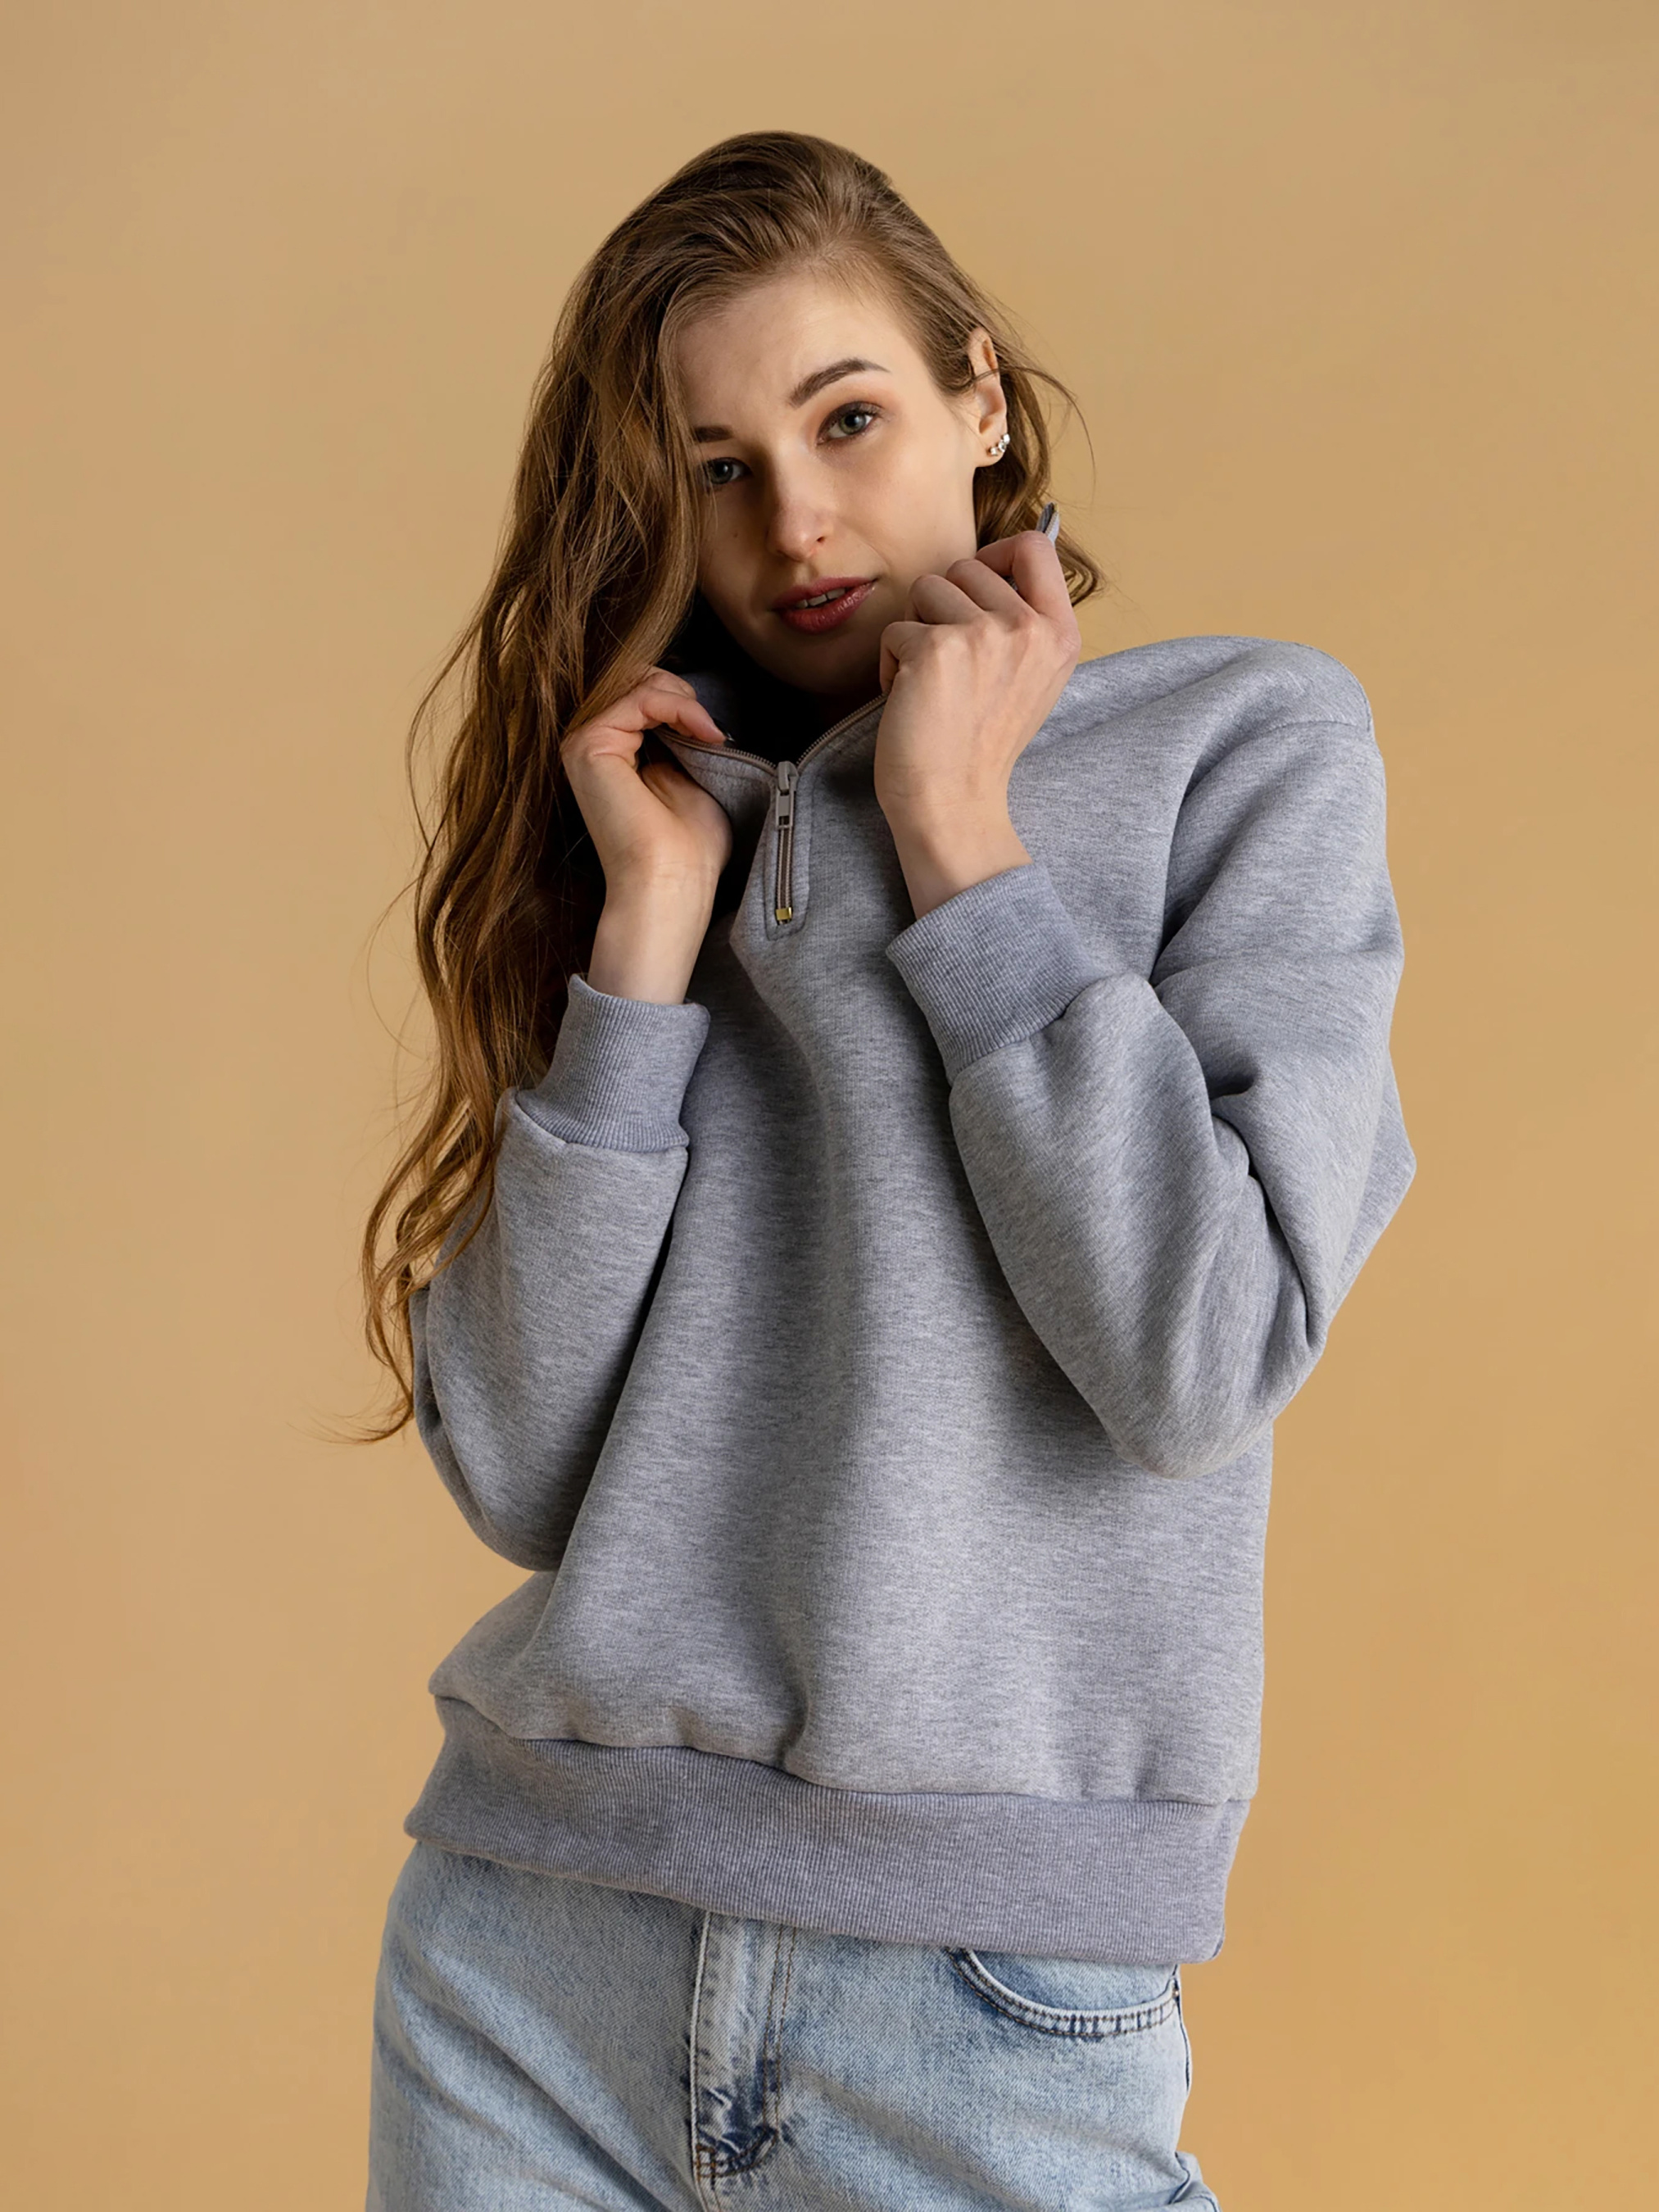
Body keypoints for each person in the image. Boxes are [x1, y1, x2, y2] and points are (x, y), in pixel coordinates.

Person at [356, 129, 1416, 2211]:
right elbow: (521, 1468)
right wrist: (642, 942)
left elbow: (1194, 1357)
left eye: (844, 418)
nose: (795, 521)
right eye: (716, 466)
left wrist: (959, 840)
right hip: (531, 1959)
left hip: (979, 1991)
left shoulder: (1242, 747)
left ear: (977, 396)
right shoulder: (666, 810)